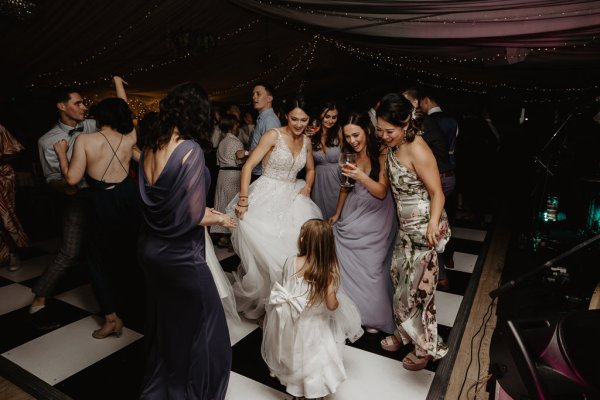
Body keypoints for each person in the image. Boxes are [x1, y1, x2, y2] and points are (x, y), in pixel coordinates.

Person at [137, 82, 235, 399]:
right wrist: (221, 218)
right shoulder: (189, 150)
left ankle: (166, 386)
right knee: (209, 329)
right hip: (181, 257)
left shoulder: (150, 147)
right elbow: (191, 215)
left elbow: (170, 204)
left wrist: (201, 210)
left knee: (170, 327)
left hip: (150, 250)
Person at [228, 95, 323, 320]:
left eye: (304, 120)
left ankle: (284, 304)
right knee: (267, 254)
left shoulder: (307, 142)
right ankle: (266, 305)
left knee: (292, 252)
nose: (299, 124)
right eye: (294, 119)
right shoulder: (273, 135)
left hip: (293, 198)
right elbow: (248, 167)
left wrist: (308, 186)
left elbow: (310, 169)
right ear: (285, 116)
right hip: (266, 196)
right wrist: (243, 200)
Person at [54, 96, 139, 339]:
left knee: (97, 259)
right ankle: (135, 308)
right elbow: (125, 105)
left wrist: (61, 153)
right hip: (129, 197)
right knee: (130, 252)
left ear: (101, 117)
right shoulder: (130, 137)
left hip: (102, 201)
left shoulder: (85, 140)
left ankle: (112, 318)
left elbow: (71, 180)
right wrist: (119, 85)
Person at [376, 93, 450, 370]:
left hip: (424, 226)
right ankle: (405, 332)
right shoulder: (393, 148)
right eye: (379, 130)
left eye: (389, 131)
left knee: (421, 291)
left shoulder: (418, 149)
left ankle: (426, 347)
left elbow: (437, 193)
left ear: (406, 123)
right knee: (400, 282)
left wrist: (433, 224)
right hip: (405, 228)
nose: (383, 135)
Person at [261, 219, 363, 400]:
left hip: (293, 322)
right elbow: (331, 305)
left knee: (294, 356)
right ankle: (313, 393)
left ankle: (299, 391)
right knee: (315, 360)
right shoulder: (329, 271)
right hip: (316, 327)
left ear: (303, 240)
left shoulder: (291, 262)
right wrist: (336, 302)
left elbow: (287, 289)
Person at [32, 87, 97, 330]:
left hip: (102, 195)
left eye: (83, 103)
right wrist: (65, 187)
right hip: (77, 197)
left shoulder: (92, 125)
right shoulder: (47, 141)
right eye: (78, 103)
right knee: (70, 252)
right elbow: (51, 177)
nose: (83, 107)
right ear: (62, 106)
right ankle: (40, 295)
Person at [328, 111, 396, 334]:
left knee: (372, 267)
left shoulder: (383, 152)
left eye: (356, 135)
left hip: (377, 211)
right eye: (348, 137)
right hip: (355, 207)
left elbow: (381, 191)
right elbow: (346, 186)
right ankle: (353, 312)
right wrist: (338, 213)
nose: (352, 141)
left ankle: (374, 317)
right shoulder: (349, 154)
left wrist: (361, 176)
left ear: (367, 130)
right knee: (347, 263)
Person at [211, 113, 245, 248]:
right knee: (232, 205)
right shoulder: (236, 142)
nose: (238, 127)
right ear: (231, 126)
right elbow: (240, 161)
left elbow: (218, 162)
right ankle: (231, 238)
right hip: (233, 175)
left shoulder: (221, 142)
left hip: (222, 175)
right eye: (236, 124)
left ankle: (223, 236)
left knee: (222, 203)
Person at [236, 83, 280, 182]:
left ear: (269, 99)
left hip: (263, 175)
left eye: (258, 94)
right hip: (257, 172)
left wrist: (246, 153)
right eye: (253, 94)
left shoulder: (269, 120)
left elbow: (271, 151)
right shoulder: (262, 118)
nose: (254, 97)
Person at [0, 123, 28, 271]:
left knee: (5, 217)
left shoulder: (0, 128)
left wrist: (2, 158)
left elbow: (15, 151)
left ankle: (13, 253)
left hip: (2, 176)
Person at [310, 100, 343, 219]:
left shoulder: (339, 131)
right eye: (327, 116)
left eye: (334, 117)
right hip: (318, 180)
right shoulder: (312, 134)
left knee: (337, 213)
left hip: (336, 178)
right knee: (320, 215)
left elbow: (346, 154)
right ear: (320, 115)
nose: (330, 120)